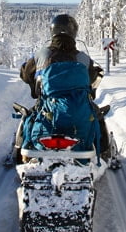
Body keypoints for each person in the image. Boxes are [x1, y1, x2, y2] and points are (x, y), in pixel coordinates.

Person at [15, 14, 112, 161]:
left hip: (48, 108)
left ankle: (17, 152)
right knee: (97, 117)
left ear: (52, 31)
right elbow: (92, 79)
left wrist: (31, 76)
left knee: (28, 116)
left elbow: (26, 75)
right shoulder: (83, 58)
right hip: (78, 109)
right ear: (74, 33)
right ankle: (104, 152)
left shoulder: (42, 54)